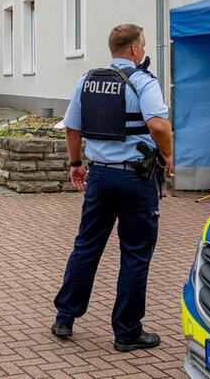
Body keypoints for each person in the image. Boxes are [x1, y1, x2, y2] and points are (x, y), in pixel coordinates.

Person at [50, 24, 173, 352]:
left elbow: (72, 128)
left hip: (100, 176)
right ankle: (127, 331)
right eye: (143, 45)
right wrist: (168, 154)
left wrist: (75, 164)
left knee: (87, 245)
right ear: (134, 49)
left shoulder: (86, 81)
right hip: (136, 180)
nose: (143, 51)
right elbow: (158, 124)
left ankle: (65, 316)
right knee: (134, 252)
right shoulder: (143, 82)